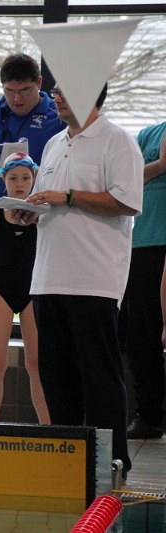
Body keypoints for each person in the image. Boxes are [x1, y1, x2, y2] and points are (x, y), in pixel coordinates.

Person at [17, 83, 143, 476]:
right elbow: (48, 200)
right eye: (54, 91)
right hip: (48, 277)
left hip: (94, 280)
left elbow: (127, 201)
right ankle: (69, 459)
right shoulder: (54, 144)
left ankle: (113, 461)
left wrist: (69, 196)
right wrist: (29, 211)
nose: (54, 97)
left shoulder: (117, 141)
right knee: (57, 377)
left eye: (62, 91)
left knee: (99, 376)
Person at [0, 53, 65, 421]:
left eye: (24, 91)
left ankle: (51, 420)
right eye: (10, 91)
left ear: (39, 85)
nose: (17, 99)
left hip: (42, 226)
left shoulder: (56, 116)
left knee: (41, 346)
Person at [0, 152, 49, 424]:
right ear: (3, 179)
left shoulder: (43, 216)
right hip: (1, 292)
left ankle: (49, 429)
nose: (19, 183)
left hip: (32, 293)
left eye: (25, 178)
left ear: (34, 179)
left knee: (36, 365)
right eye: (13, 178)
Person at [124, 122, 166, 439]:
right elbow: (127, 180)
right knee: (141, 335)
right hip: (142, 243)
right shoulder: (148, 134)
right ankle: (148, 415)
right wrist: (160, 166)